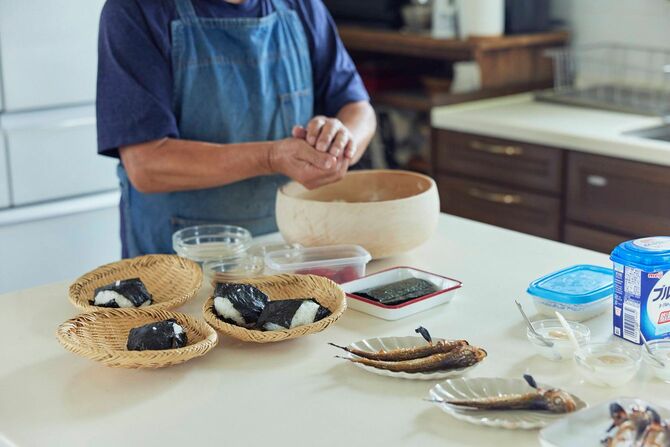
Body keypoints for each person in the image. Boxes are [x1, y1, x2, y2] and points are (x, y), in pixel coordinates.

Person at [96, 0, 376, 258]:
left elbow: (359, 109)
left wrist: (341, 141)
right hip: (176, 263)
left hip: (286, 253)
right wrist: (271, 157)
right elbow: (147, 165)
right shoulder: (135, 10)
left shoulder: (301, 6)